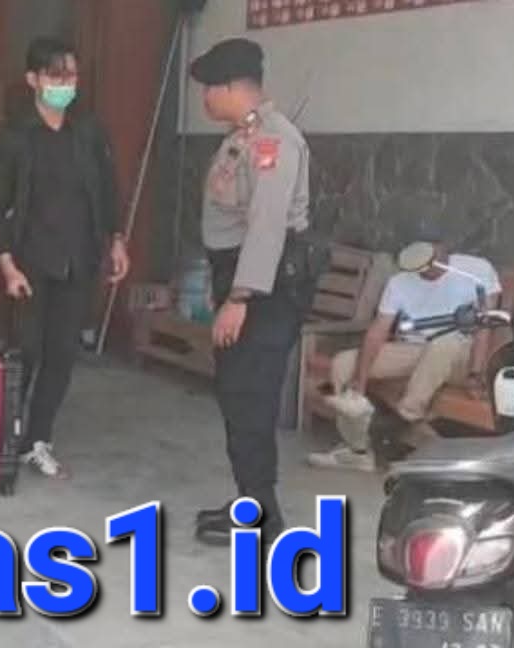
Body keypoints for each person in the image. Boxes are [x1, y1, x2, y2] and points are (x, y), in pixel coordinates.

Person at [0, 37, 131, 480]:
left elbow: (107, 190)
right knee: (26, 350)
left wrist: (116, 240)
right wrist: (7, 265)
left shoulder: (88, 132)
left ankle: (37, 439)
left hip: (79, 258)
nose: (65, 84)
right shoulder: (13, 137)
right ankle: (3, 438)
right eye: (55, 76)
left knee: (63, 353)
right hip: (30, 261)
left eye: (71, 76)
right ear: (33, 79)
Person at [188, 38, 314, 545]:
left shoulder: (274, 142)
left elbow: (266, 227)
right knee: (237, 396)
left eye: (209, 88)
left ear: (233, 87)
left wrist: (239, 299)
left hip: (264, 290)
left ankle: (264, 515)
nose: (205, 98)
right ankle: (250, 500)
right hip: (241, 278)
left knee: (252, 398)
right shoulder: (245, 135)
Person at [308, 229, 501, 472]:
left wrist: (476, 373)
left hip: (461, 354)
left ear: (444, 247)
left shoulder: (476, 270)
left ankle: (403, 421)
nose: (429, 266)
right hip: (413, 348)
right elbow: (378, 331)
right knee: (342, 363)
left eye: (434, 254)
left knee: (444, 344)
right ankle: (357, 450)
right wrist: (359, 379)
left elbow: (485, 325)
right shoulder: (399, 282)